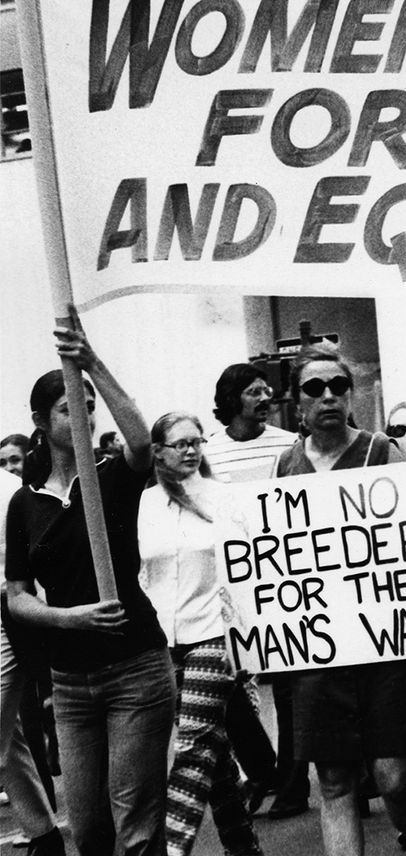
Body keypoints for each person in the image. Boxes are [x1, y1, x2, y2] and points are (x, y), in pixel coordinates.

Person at [4, 317, 176, 856]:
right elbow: (15, 593)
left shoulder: (110, 477)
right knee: (90, 830)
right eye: (66, 406)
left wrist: (91, 361)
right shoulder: (24, 503)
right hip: (71, 684)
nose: (82, 412)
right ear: (39, 421)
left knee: (137, 828)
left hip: (135, 671)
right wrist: (66, 619)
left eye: (88, 402)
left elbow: (143, 442)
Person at [276, 344, 406, 856]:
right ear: (296, 401)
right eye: (314, 388)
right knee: (334, 783)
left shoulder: (380, 452)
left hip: (386, 647)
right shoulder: (286, 464)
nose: (328, 396)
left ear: (351, 394)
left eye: (338, 386)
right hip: (321, 651)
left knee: (393, 778)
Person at [139, 412, 263, 856]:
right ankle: (243, 847)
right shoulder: (144, 503)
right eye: (180, 444)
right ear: (157, 452)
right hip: (161, 642)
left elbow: (249, 569)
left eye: (196, 442)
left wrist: (246, 645)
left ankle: (172, 849)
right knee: (214, 750)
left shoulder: (224, 497)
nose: (191, 450)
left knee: (190, 744)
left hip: (214, 634)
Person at [205, 363, 297, 818]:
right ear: (232, 398)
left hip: (283, 573)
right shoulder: (209, 452)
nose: (264, 398)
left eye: (267, 391)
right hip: (229, 578)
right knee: (233, 678)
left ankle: (293, 783)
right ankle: (262, 767)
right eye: (253, 391)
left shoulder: (287, 444)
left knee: (288, 681)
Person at [1, 466, 65, 856]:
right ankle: (44, 836)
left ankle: (46, 838)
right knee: (9, 740)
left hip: (8, 616)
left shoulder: (10, 492)